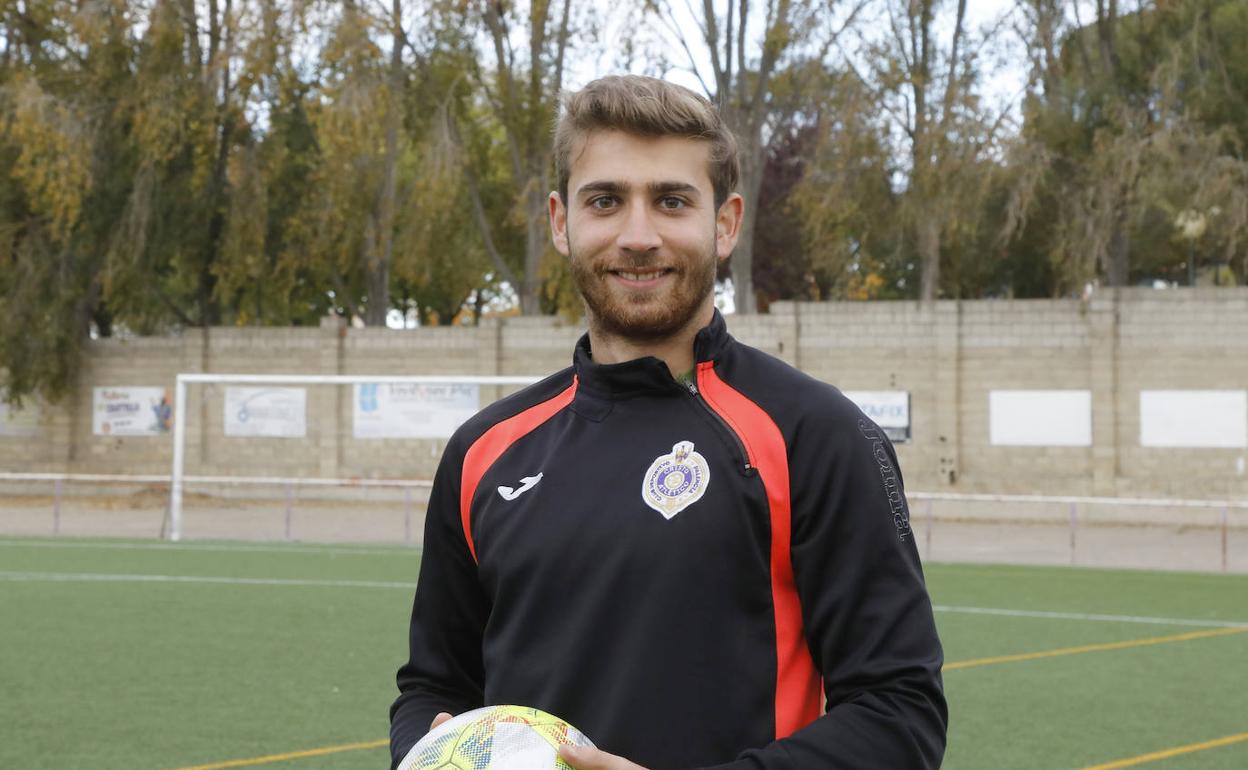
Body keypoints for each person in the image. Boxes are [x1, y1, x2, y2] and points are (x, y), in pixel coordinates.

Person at [390, 75, 947, 770]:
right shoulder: (484, 451)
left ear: (725, 223)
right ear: (562, 223)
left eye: (672, 201)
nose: (638, 235)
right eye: (606, 201)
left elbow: (901, 716)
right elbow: (434, 685)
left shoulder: (817, 436)